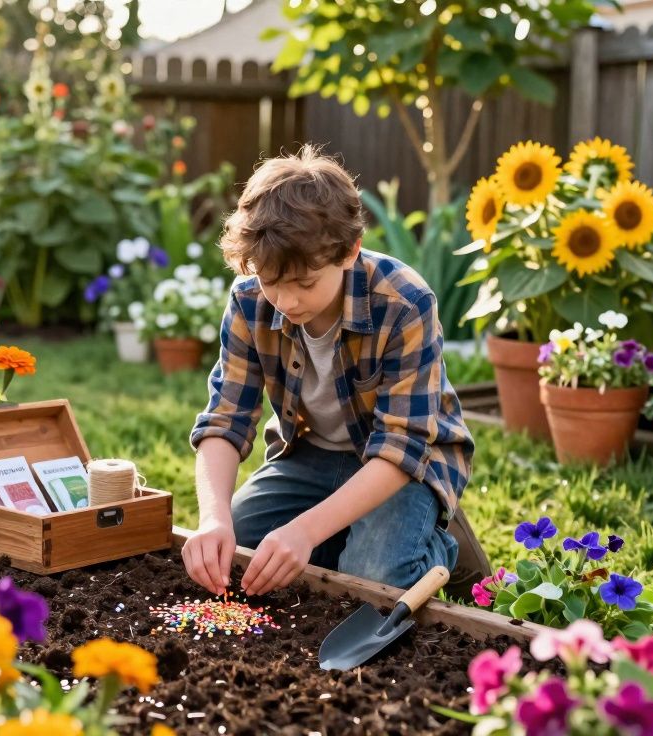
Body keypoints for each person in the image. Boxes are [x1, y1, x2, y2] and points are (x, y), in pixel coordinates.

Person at [182, 146, 488, 598]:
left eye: (304, 283)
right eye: (271, 283)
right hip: (309, 456)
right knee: (242, 551)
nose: (285, 302)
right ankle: (355, 537)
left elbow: (401, 448)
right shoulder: (249, 299)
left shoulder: (405, 303)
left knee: (372, 580)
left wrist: (304, 532)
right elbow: (224, 421)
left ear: (349, 252)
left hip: (403, 465)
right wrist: (213, 519)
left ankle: (439, 544)